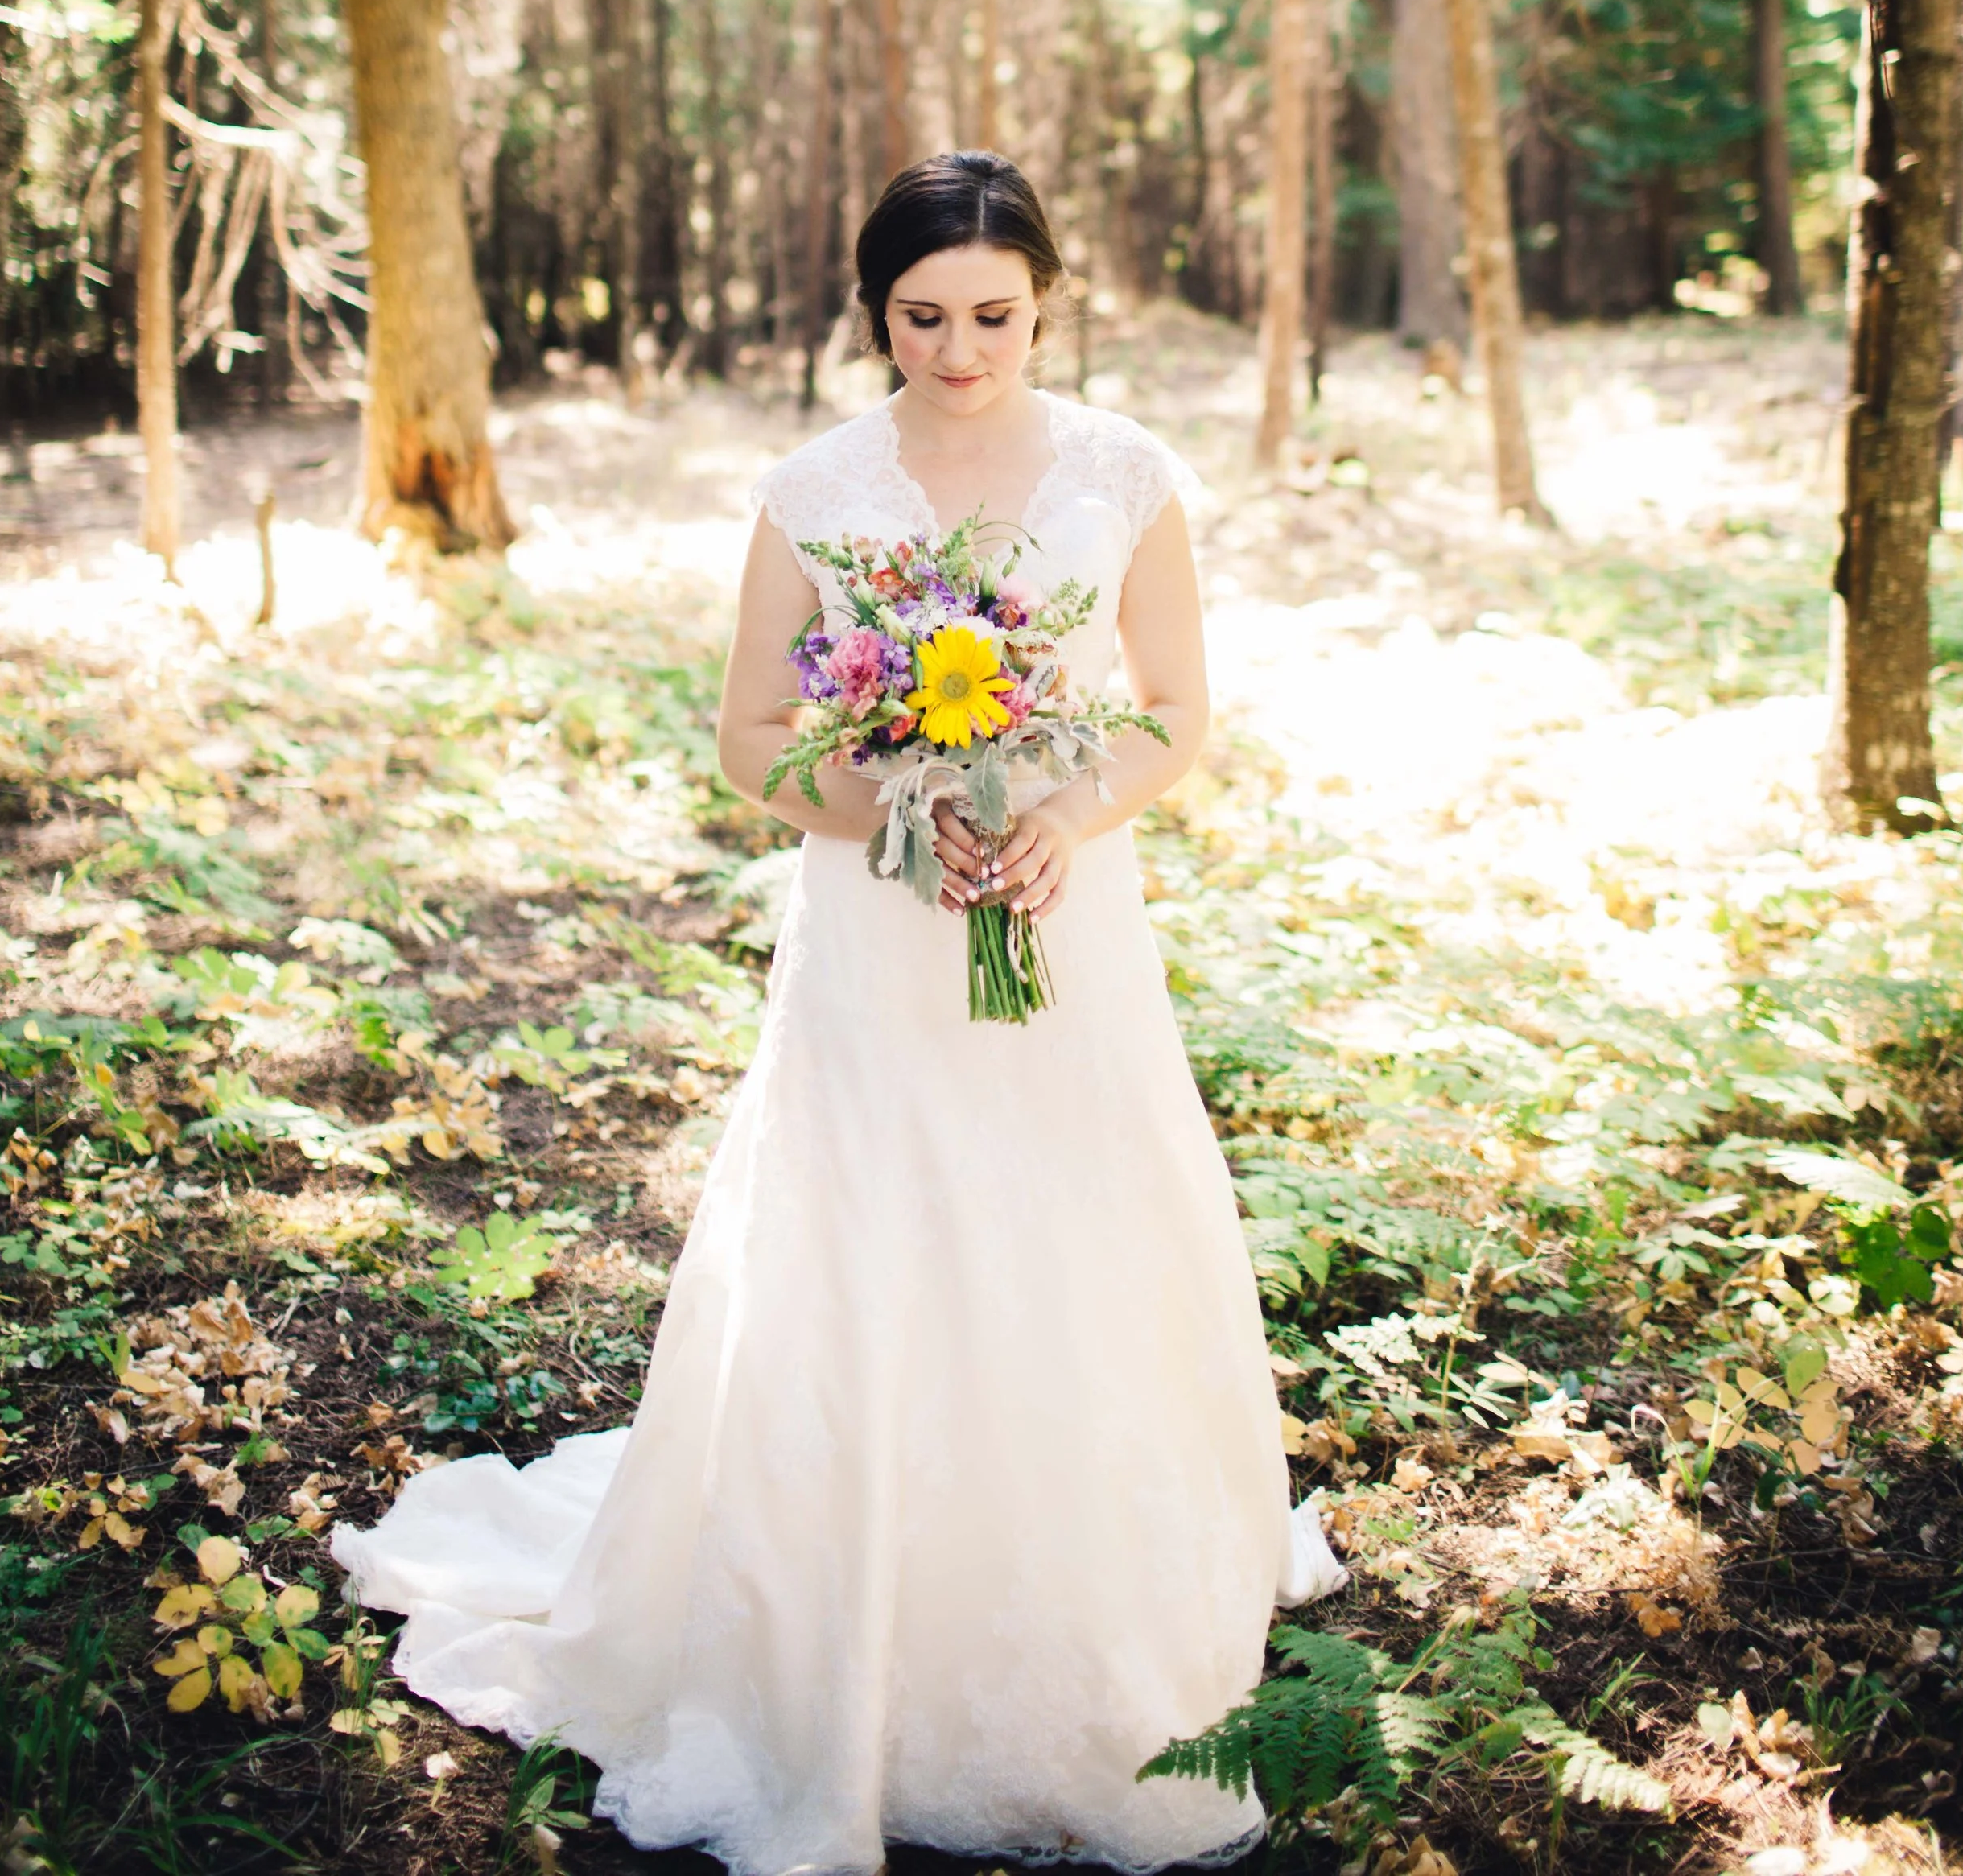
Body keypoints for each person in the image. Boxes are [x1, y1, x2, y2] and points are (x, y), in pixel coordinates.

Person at [334, 150, 1338, 1871]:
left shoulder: (1124, 473)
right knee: (876, 1238)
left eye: (994, 316)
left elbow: (1173, 711)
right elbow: (743, 737)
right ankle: (840, 1628)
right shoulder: (812, 490)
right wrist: (889, 810)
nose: (960, 350)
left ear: (1047, 300)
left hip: (1056, 915)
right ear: (873, 310)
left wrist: (1060, 815)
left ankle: (1091, 1601)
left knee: (1068, 1230)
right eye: (922, 317)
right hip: (878, 932)